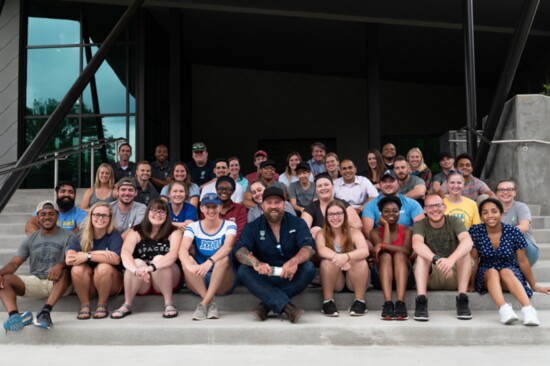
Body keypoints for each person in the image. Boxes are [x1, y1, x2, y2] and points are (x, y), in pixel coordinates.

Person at [234, 186, 316, 323]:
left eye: (277, 202)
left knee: (309, 268)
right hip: (264, 275)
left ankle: (265, 306)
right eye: (269, 202)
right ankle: (288, 308)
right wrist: (256, 263)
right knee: (243, 270)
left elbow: (309, 247)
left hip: (290, 275)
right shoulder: (253, 226)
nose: (273, 206)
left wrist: (294, 261)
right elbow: (240, 250)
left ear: (285, 204)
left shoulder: (297, 223)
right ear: (262, 205)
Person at [469, 198, 549, 325]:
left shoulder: (514, 232)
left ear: (501, 214)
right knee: (492, 272)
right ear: (481, 216)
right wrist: (471, 284)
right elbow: (474, 260)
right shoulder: (475, 231)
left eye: (494, 211)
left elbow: (523, 261)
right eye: (485, 212)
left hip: (510, 273)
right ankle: (505, 309)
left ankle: (529, 310)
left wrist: (534, 285)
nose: (490, 215)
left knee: (506, 271)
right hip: (486, 274)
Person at [1, 201, 72, 331]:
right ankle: (15, 316)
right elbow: (14, 263)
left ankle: (45, 312)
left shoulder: (68, 236)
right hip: (37, 281)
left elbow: (73, 259)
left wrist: (60, 265)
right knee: (3, 279)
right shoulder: (30, 239)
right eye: (43, 214)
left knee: (65, 272)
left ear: (57, 216)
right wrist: (0, 273)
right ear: (38, 218)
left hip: (59, 283)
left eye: (51, 213)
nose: (47, 217)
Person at [111, 198, 182, 319]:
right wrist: (135, 270)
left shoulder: (174, 231)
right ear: (147, 212)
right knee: (137, 262)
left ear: (167, 215)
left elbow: (173, 254)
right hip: (143, 280)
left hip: (167, 279)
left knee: (160, 259)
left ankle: (169, 304)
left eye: (162, 212)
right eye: (154, 210)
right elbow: (125, 253)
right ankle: (127, 304)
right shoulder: (136, 230)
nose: (157, 214)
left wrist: (152, 267)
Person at [412, 193, 473, 321]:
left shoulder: (454, 221)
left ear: (444, 207)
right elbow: (417, 244)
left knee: (465, 253)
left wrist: (451, 260)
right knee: (421, 257)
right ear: (425, 209)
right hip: (432, 275)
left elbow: (468, 241)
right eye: (430, 206)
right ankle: (421, 301)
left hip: (455, 274)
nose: (435, 209)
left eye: (438, 205)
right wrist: (437, 260)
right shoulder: (420, 224)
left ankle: (462, 299)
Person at [180, 193, 238, 320]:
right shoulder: (193, 226)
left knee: (223, 259)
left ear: (220, 207)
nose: (211, 210)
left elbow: (228, 247)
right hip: (199, 277)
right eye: (208, 207)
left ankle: (204, 303)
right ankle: (210, 302)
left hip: (222, 279)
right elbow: (183, 249)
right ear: (201, 208)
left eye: (214, 207)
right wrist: (188, 265)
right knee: (187, 260)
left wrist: (210, 262)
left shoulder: (229, 225)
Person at [65, 202, 123, 320]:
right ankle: (85, 305)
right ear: (90, 216)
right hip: (89, 284)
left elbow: (116, 260)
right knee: (77, 268)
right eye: (97, 215)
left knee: (103, 267)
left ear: (110, 218)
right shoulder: (81, 236)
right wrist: (102, 253)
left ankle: (102, 304)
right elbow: (69, 260)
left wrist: (88, 255)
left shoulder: (114, 235)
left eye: (104, 215)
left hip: (111, 284)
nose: (100, 218)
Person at [316, 200, 369, 317]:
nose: (335, 217)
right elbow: (321, 249)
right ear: (326, 217)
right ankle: (328, 301)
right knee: (326, 261)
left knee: (360, 261)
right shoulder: (321, 233)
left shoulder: (354, 232)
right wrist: (338, 257)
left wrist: (346, 257)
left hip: (353, 278)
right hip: (335, 280)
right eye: (331, 214)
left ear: (344, 215)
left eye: (339, 213)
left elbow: (365, 250)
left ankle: (360, 301)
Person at [369, 196, 414, 320]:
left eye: (395, 210)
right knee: (386, 256)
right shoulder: (375, 232)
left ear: (400, 212)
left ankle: (400, 303)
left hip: (406, 278)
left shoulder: (407, 230)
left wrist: (383, 245)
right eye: (386, 211)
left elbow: (407, 251)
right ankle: (388, 303)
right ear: (381, 214)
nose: (391, 214)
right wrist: (386, 227)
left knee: (400, 255)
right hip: (381, 279)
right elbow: (384, 251)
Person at [361, 169, 424, 241]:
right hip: (381, 244)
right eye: (384, 181)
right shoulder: (370, 206)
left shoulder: (412, 204)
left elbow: (421, 228)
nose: (388, 184)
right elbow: (368, 233)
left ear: (398, 183)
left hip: (407, 244)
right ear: (380, 184)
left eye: (391, 181)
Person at [302, 174, 363, 238]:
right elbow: (303, 230)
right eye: (319, 186)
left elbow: (357, 226)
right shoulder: (311, 208)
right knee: (314, 230)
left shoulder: (343, 203)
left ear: (333, 187)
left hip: (344, 241)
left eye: (326, 184)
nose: (323, 188)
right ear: (316, 190)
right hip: (322, 244)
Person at [496, 179, 539, 266]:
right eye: (501, 190)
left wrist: (500, 235)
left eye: (509, 189)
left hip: (527, 251)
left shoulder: (521, 207)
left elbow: (524, 227)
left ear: (514, 193)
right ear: (497, 193)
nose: (505, 192)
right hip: (505, 252)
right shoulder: (494, 210)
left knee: (516, 235)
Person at [200, 177, 247, 241]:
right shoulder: (207, 208)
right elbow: (205, 230)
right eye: (220, 188)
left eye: (228, 189)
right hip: (211, 244)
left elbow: (238, 234)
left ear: (233, 191)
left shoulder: (240, 209)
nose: (224, 191)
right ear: (216, 190)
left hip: (233, 245)